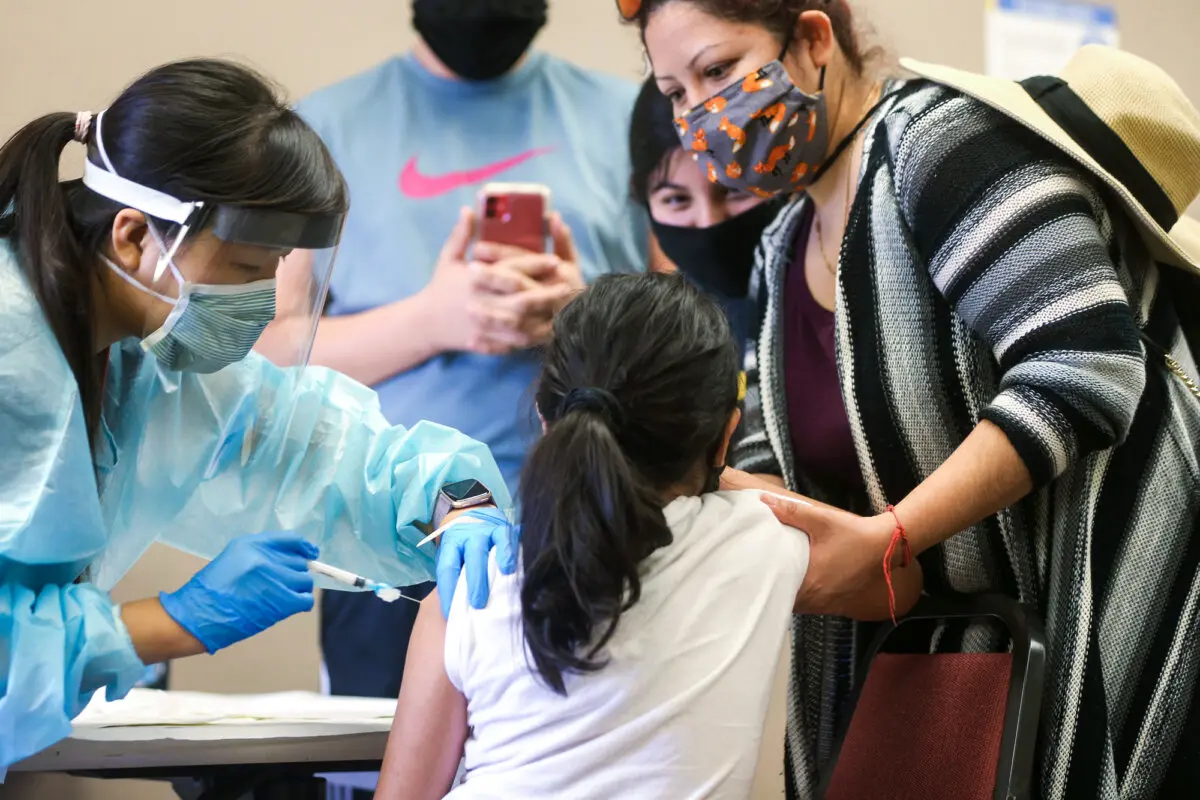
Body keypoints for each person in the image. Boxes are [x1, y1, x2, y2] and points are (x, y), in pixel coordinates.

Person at [623, 1, 1200, 798]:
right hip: (935, 672)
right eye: (675, 91)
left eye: (719, 70)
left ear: (815, 39)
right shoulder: (781, 243)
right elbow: (768, 450)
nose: (700, 113)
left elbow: (1084, 362)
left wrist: (891, 537)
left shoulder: (944, 147)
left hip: (1083, 633)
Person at [0, 58, 514, 775]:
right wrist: (177, 620)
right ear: (133, 236)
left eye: (276, 268)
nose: (264, 302)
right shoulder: (11, 350)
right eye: (246, 270)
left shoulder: (150, 362)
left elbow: (316, 450)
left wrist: (458, 501)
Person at [260, 0, 648, 776]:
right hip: (389, 550)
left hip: (593, 535)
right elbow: (267, 354)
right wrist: (433, 320)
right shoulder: (320, 130)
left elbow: (691, 332)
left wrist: (585, 317)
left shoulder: (633, 116)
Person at [372, 273, 921, 800]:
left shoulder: (470, 584)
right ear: (724, 432)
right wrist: (731, 476)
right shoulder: (755, 539)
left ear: (546, 419)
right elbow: (897, 575)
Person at [629, 76, 786, 351]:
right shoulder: (660, 343)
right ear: (643, 198)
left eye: (735, 189)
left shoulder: (835, 299)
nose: (709, 222)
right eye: (676, 199)